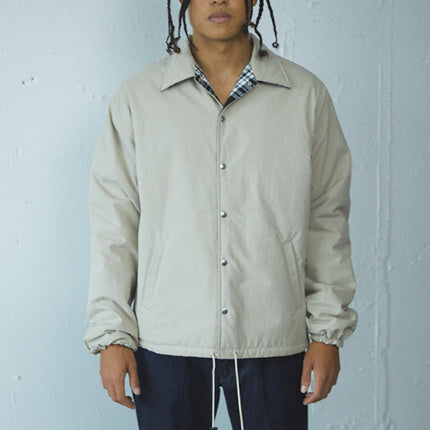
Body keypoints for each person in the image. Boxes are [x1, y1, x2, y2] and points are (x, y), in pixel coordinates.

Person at [83, 0, 358, 429]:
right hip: (167, 341)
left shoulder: (305, 96)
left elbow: (327, 219)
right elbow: (115, 225)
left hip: (273, 337)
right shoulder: (138, 98)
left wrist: (327, 333)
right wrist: (111, 336)